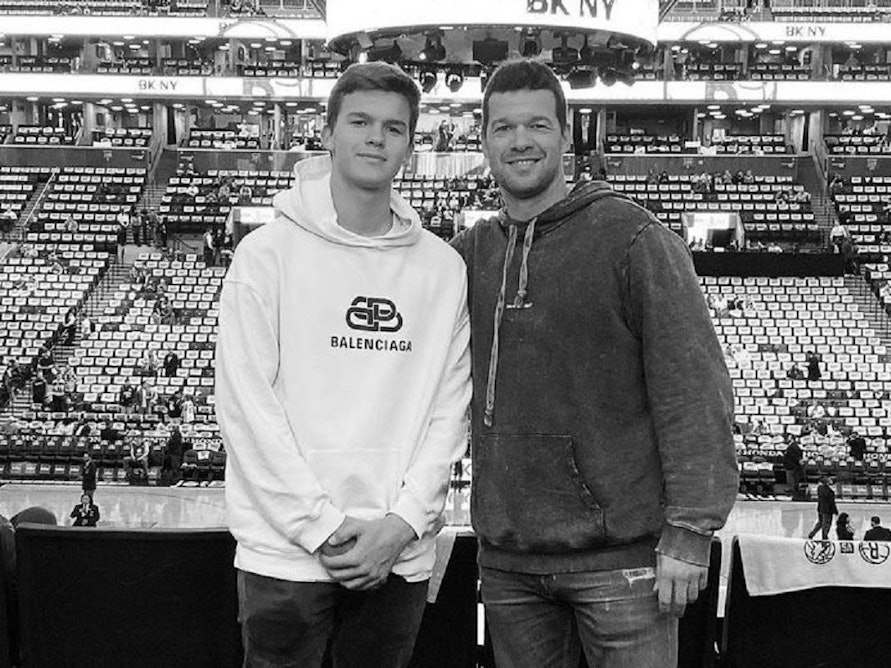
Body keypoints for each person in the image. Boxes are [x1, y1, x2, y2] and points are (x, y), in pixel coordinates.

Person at [449, 59, 739, 668]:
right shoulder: (471, 253)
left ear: (566, 135)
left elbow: (693, 390)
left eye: (537, 125)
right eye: (503, 128)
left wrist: (691, 529)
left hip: (622, 564)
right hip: (508, 563)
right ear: (484, 142)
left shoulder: (634, 240)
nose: (520, 141)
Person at [216, 62, 471, 668]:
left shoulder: (443, 269)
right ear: (328, 132)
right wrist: (321, 525)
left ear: (410, 144)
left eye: (394, 128)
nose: (376, 138)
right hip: (285, 556)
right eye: (360, 122)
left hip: (396, 554)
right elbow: (246, 408)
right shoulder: (265, 255)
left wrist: (402, 523)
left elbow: (449, 413)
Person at [808, 475, 838, 540]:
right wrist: (835, 511)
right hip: (827, 510)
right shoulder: (829, 491)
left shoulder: (820, 488)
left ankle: (812, 534)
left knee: (820, 523)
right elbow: (831, 502)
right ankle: (824, 537)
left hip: (820, 508)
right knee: (826, 524)